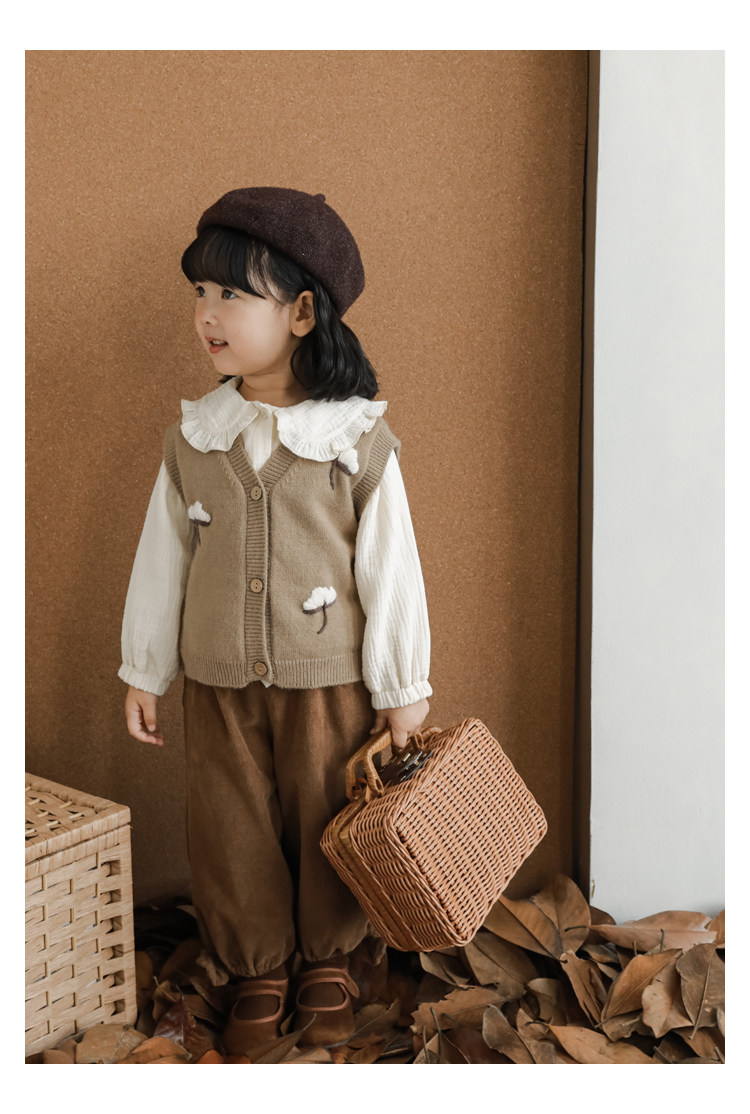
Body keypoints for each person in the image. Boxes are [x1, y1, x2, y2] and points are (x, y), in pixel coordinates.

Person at [119, 187, 431, 1053]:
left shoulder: (356, 440)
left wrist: (402, 686)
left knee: (327, 815)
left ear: (300, 312)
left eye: (231, 293)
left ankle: (329, 961)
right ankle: (256, 967)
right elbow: (163, 559)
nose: (207, 314)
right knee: (231, 826)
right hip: (217, 680)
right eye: (201, 293)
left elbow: (391, 568)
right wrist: (144, 668)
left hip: (329, 684)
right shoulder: (196, 438)